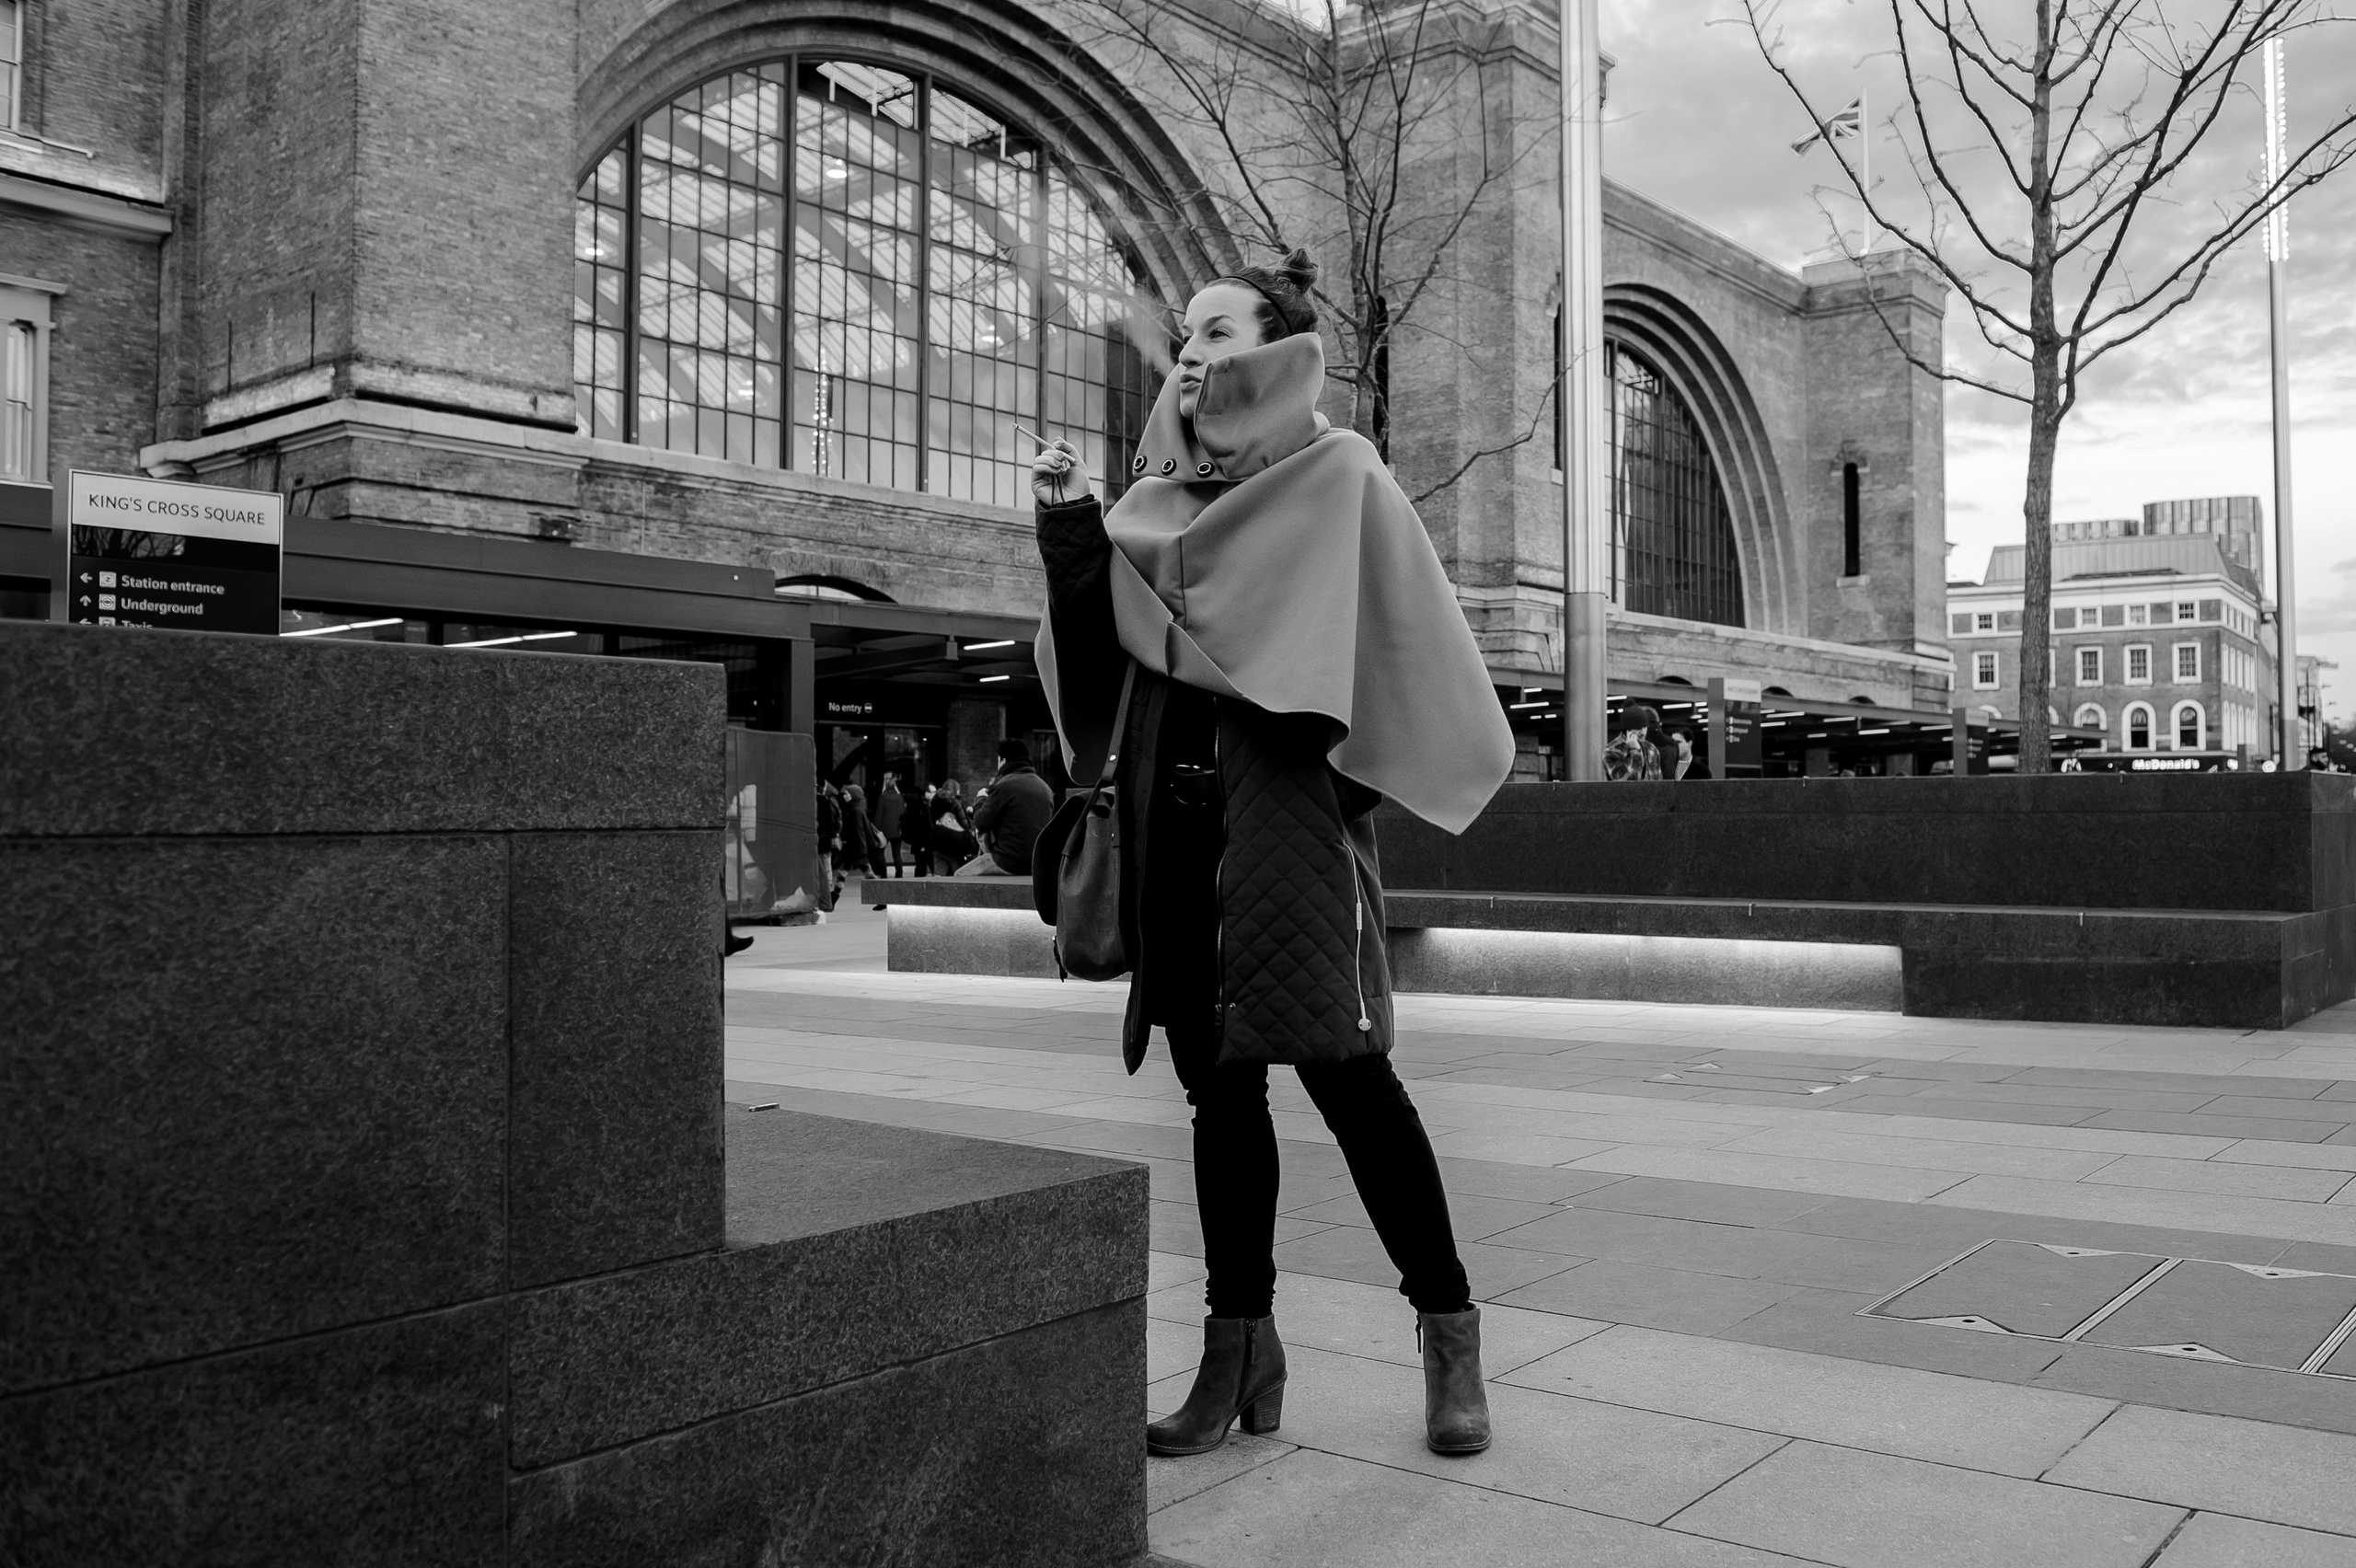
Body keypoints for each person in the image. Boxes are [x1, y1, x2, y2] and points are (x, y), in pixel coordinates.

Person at [1031, 248, 1515, 1460]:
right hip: (1170, 839)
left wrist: (1320, 782)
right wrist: (1066, 527)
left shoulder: (1340, 477)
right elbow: (1098, 666)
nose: (1190, 354)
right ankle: (1238, 1352)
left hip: (1283, 838)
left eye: (1215, 333)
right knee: (1219, 1099)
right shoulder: (1155, 500)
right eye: (1184, 337)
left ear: (1278, 351)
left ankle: (1448, 1336)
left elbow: (1409, 659)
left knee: (1354, 1087)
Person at [962, 739, 1057, 875]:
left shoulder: (1003, 785)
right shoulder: (1045, 788)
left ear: (1003, 761)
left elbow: (981, 822)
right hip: (1038, 862)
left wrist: (980, 798)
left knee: (961, 875)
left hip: (1009, 862)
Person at [1603, 706, 1663, 780]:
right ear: (1627, 730)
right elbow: (1623, 782)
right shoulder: (1612, 750)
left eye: (1645, 727)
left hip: (1652, 792)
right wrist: (1635, 751)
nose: (1643, 732)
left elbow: (1659, 781)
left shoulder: (1651, 748)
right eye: (1639, 728)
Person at [814, 780, 843, 910]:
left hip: (821, 839)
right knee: (826, 867)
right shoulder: (827, 801)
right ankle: (829, 897)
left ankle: (828, 898)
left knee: (823, 869)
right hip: (825, 839)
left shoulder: (821, 801)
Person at [874, 773, 908, 876]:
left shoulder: (883, 798)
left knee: (881, 852)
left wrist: (876, 830)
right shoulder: (900, 798)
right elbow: (903, 813)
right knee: (896, 853)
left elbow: (879, 815)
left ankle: (883, 873)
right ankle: (899, 873)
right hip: (897, 830)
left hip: (885, 830)